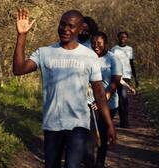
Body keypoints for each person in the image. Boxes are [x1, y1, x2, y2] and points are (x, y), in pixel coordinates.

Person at [13, 9, 116, 168]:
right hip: (52, 125)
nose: (65, 29)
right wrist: (22, 36)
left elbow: (99, 93)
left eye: (71, 26)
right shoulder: (45, 53)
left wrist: (109, 124)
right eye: (62, 24)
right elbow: (18, 69)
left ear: (80, 29)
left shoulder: (89, 56)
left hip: (78, 125)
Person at [84, 32, 122, 168]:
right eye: (93, 43)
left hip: (109, 104)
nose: (95, 46)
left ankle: (100, 163)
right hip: (90, 104)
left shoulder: (113, 59)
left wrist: (104, 99)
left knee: (103, 136)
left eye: (99, 43)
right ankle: (89, 163)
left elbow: (115, 82)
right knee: (91, 137)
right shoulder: (87, 58)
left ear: (105, 44)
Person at [111, 31, 138, 128]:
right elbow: (111, 63)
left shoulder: (130, 49)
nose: (123, 38)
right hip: (116, 75)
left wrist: (135, 77)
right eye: (121, 37)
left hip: (126, 76)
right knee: (117, 98)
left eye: (125, 37)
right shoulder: (114, 49)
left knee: (123, 98)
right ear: (118, 38)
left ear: (127, 38)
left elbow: (131, 63)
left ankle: (124, 122)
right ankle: (112, 121)